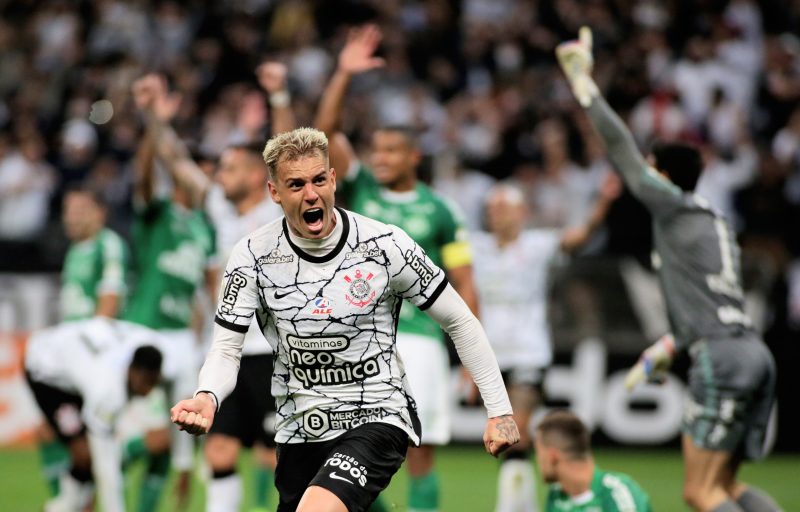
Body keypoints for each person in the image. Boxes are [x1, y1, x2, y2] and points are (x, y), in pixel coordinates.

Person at [171, 127, 520, 512]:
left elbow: (460, 321)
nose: (311, 194)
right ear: (274, 193)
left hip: (376, 414)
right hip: (299, 427)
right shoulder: (251, 256)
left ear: (333, 180)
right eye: (296, 184)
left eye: (320, 180)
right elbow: (226, 345)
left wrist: (499, 409)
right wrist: (207, 395)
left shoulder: (385, 245)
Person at [556, 28, 781, 512]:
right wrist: (665, 349)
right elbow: (706, 302)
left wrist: (585, 87)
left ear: (664, 176)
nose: (644, 177)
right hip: (752, 352)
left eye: (652, 169)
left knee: (699, 493)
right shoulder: (712, 223)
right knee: (729, 487)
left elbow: (622, 153)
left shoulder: (675, 210)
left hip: (719, 358)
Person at [315, 25, 480, 512]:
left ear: (414, 156)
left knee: (419, 450)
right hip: (359, 335)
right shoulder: (362, 189)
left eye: (390, 151)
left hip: (421, 340)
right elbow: (323, 136)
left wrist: (471, 354)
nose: (379, 159)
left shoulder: (442, 211)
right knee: (343, 449)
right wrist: (344, 74)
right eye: (376, 151)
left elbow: (464, 282)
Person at [142, 64, 293, 512]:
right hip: (229, 353)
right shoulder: (220, 213)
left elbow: (286, 152)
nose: (218, 175)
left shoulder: (276, 213)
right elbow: (176, 164)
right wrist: (155, 117)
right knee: (219, 451)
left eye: (228, 168)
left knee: (281, 457)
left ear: (253, 175)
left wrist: (279, 97)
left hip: (274, 353)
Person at [472, 179, 619, 512]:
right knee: (510, 440)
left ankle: (507, 507)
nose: (496, 214)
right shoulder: (475, 247)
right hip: (488, 356)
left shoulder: (537, 245)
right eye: (491, 209)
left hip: (528, 352)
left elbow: (579, 236)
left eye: (503, 207)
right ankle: (526, 506)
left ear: (522, 212)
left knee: (514, 428)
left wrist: (603, 202)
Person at [126, 74, 219, 504]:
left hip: (183, 336)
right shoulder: (159, 211)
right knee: (154, 439)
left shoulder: (207, 227)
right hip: (144, 330)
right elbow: (145, 177)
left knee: (180, 429)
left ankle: (172, 484)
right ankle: (86, 471)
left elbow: (210, 285)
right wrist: (152, 125)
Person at [25, 318, 172, 512]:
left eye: (154, 383)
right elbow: (106, 465)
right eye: (146, 382)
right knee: (85, 453)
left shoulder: (141, 354)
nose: (149, 390)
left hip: (71, 360)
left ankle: (61, 507)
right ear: (132, 371)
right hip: (45, 370)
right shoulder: (107, 392)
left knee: (87, 457)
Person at [534, 410, 652, 512]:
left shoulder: (618, 493)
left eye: (538, 452)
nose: (537, 460)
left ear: (552, 456)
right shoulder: (556, 496)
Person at [60, 184, 128, 322]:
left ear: (100, 213)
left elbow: (111, 294)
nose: (71, 218)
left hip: (92, 336)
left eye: (79, 211)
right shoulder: (74, 249)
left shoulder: (109, 245)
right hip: (73, 331)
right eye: (67, 211)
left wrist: (95, 334)